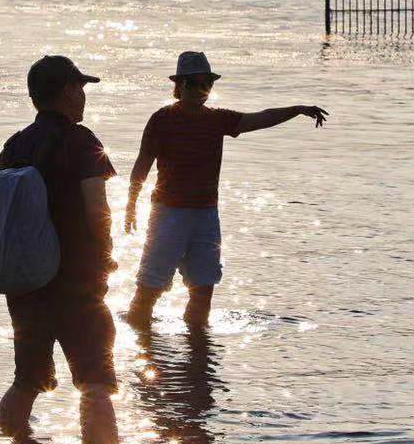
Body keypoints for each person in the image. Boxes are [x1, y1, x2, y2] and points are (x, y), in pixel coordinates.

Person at [123, 51, 327, 331]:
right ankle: (142, 351)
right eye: (195, 83)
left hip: (206, 214)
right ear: (180, 85)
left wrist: (297, 109)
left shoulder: (217, 120)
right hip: (168, 213)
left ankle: (198, 356)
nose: (202, 89)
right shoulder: (161, 119)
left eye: (207, 82)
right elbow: (142, 164)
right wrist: (131, 205)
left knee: (203, 286)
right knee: (151, 286)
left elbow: (260, 118)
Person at [0, 55, 120, 444]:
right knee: (96, 382)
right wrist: (106, 258)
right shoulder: (82, 141)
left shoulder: (14, 146)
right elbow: (97, 209)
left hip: (26, 284)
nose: (83, 96)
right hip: (77, 283)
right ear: (67, 91)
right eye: (80, 87)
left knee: (26, 379)